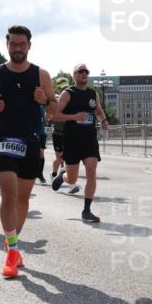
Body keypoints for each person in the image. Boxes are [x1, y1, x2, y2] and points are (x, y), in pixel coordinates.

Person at [0, 25, 57, 278]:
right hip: (4, 140)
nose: (18, 48)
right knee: (9, 196)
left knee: (23, 199)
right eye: (14, 44)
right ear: (7, 45)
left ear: (29, 46)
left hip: (30, 140)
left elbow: (54, 108)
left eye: (22, 44)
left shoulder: (41, 75)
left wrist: (44, 101)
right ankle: (12, 253)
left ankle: (12, 240)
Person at [51, 63, 108, 222]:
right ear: (74, 75)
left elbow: (98, 111)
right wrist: (74, 117)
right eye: (80, 71)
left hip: (89, 139)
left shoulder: (92, 93)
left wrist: (103, 120)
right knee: (73, 178)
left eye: (86, 71)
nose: (84, 73)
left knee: (91, 170)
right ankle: (63, 177)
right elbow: (55, 115)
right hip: (72, 139)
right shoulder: (68, 94)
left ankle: (86, 210)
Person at [50, 76, 69, 182]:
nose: (64, 89)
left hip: (68, 133)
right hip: (58, 133)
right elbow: (52, 116)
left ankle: (71, 183)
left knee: (69, 158)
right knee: (60, 158)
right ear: (58, 88)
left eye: (66, 87)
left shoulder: (71, 99)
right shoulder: (56, 100)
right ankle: (54, 173)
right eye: (62, 87)